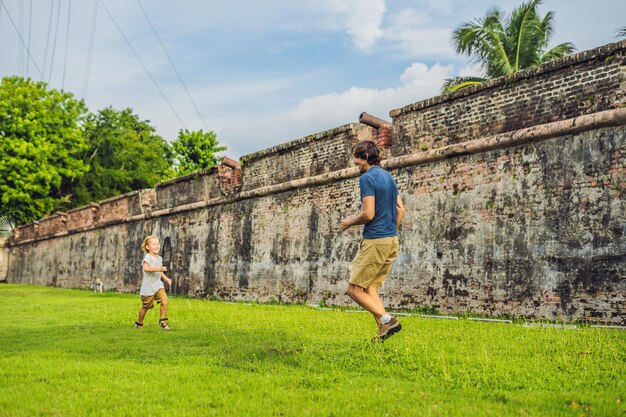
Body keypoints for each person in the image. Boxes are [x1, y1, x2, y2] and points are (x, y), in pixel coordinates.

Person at [341, 140, 405, 342]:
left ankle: (388, 320)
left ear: (366, 157)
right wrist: (391, 230)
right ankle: (383, 330)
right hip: (391, 240)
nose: (355, 162)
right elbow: (401, 210)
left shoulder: (367, 179)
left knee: (354, 289)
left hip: (376, 240)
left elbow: (368, 214)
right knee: (370, 288)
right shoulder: (389, 177)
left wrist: (349, 222)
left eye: (357, 157)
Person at [135, 235, 172, 330]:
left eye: (158, 244)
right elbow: (146, 268)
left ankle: (162, 320)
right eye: (153, 244)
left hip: (158, 285)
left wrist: (166, 278)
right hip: (148, 288)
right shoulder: (148, 257)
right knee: (146, 307)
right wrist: (159, 268)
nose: (157, 246)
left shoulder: (159, 258)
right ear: (147, 247)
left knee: (165, 300)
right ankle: (139, 323)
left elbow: (159, 272)